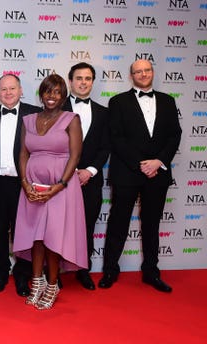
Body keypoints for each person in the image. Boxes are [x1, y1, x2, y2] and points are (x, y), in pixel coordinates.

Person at [98, 59, 181, 293]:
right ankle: (110, 270)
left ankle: (151, 272)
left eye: (147, 70)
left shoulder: (167, 101)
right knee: (118, 222)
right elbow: (117, 137)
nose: (143, 74)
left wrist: (158, 162)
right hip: (127, 171)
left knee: (152, 223)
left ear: (152, 72)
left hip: (158, 173)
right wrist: (140, 164)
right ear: (131, 75)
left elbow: (174, 135)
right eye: (138, 71)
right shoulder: (117, 102)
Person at [12, 74, 87, 310]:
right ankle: (37, 282)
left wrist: (60, 185)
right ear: (41, 94)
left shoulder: (71, 119)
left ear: (63, 95)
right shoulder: (29, 120)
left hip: (61, 188)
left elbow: (75, 156)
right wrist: (25, 183)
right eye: (47, 91)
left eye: (56, 92)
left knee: (53, 238)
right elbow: (24, 153)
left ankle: (53, 284)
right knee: (35, 237)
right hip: (33, 186)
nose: (51, 96)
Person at [0, 74, 41, 297]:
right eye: (3, 89)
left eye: (12, 88)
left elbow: (41, 151)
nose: (8, 93)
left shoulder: (34, 114)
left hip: (24, 184)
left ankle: (23, 276)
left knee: (23, 233)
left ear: (21, 90)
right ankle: (1, 274)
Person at [63, 63, 110, 290]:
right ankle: (54, 272)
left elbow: (105, 147)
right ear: (70, 81)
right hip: (59, 180)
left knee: (87, 226)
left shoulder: (104, 112)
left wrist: (89, 171)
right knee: (57, 226)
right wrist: (69, 172)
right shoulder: (56, 108)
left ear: (92, 82)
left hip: (90, 180)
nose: (83, 82)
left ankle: (84, 270)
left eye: (88, 78)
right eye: (79, 78)